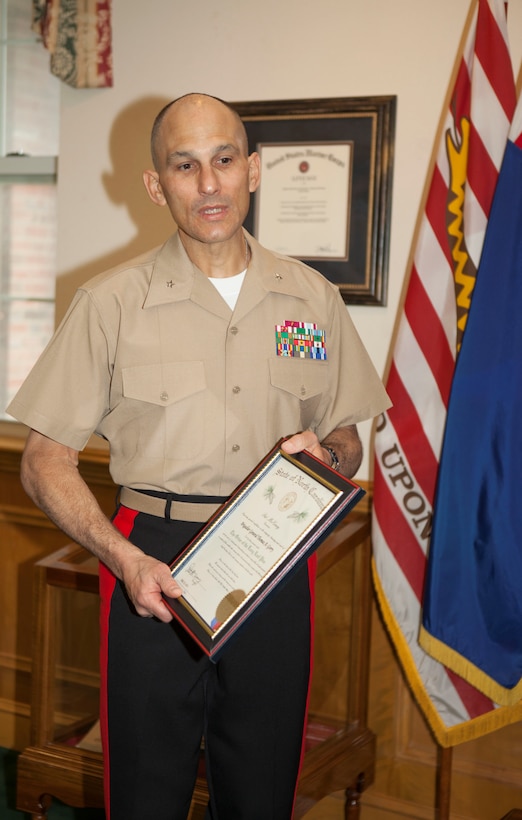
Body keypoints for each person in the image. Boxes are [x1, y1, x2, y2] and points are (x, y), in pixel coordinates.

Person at [8, 93, 390, 820]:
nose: (208, 183)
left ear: (253, 170)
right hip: (152, 562)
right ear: (157, 185)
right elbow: (43, 461)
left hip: (275, 560)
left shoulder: (311, 298)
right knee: (146, 792)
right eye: (184, 165)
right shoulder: (110, 303)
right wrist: (122, 559)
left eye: (223, 161)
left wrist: (332, 455)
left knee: (262, 789)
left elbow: (347, 433)